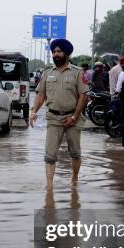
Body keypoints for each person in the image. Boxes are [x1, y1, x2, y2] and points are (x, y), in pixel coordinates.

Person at [29, 38, 87, 190]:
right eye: (54, 52)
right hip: (53, 117)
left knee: (75, 152)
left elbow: (83, 95)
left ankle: (74, 178)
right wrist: (33, 111)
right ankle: (50, 188)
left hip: (73, 118)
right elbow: (41, 94)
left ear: (66, 53)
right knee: (50, 155)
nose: (56, 54)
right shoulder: (47, 72)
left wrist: (74, 117)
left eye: (59, 51)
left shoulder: (78, 72)